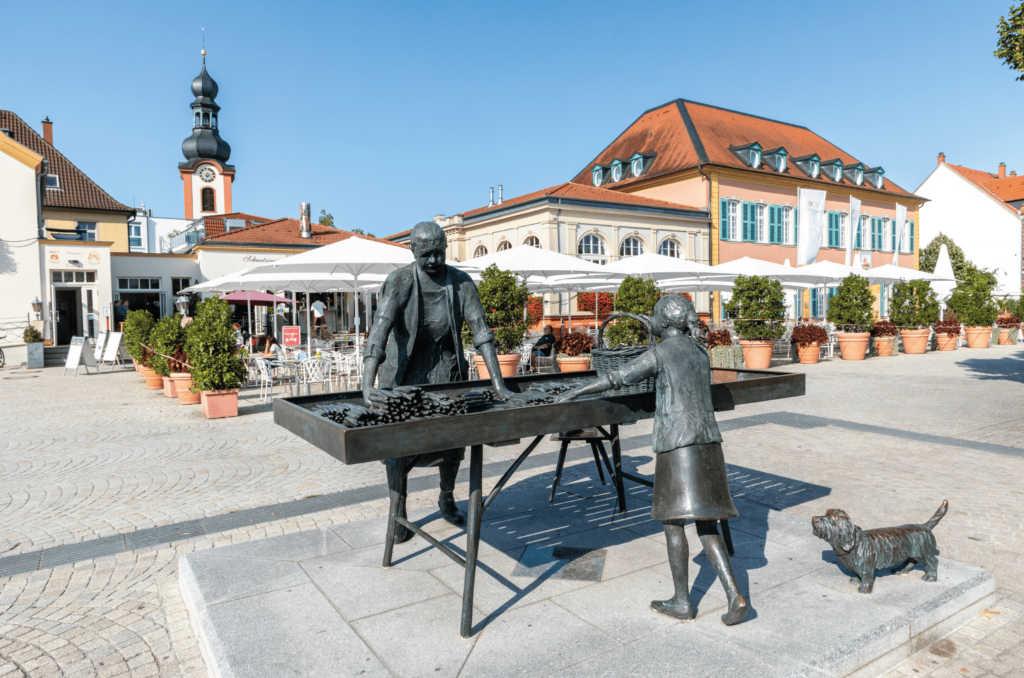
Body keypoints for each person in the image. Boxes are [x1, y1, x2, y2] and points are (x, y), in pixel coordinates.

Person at [557, 295, 748, 626]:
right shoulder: (699, 351)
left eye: (655, 316)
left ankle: (682, 601)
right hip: (708, 441)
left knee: (672, 522)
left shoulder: (660, 352)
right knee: (708, 522)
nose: (652, 321)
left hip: (677, 443)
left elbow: (618, 378)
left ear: (665, 322)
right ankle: (734, 595)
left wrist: (574, 392)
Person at [363, 221, 514, 541]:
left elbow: (481, 332)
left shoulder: (461, 283)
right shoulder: (400, 281)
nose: (434, 261)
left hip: (447, 372)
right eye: (426, 255)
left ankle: (446, 495)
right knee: (398, 447)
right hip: (404, 374)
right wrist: (367, 383)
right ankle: (398, 511)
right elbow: (380, 329)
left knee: (452, 443)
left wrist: (499, 384)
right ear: (413, 251)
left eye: (439, 253)